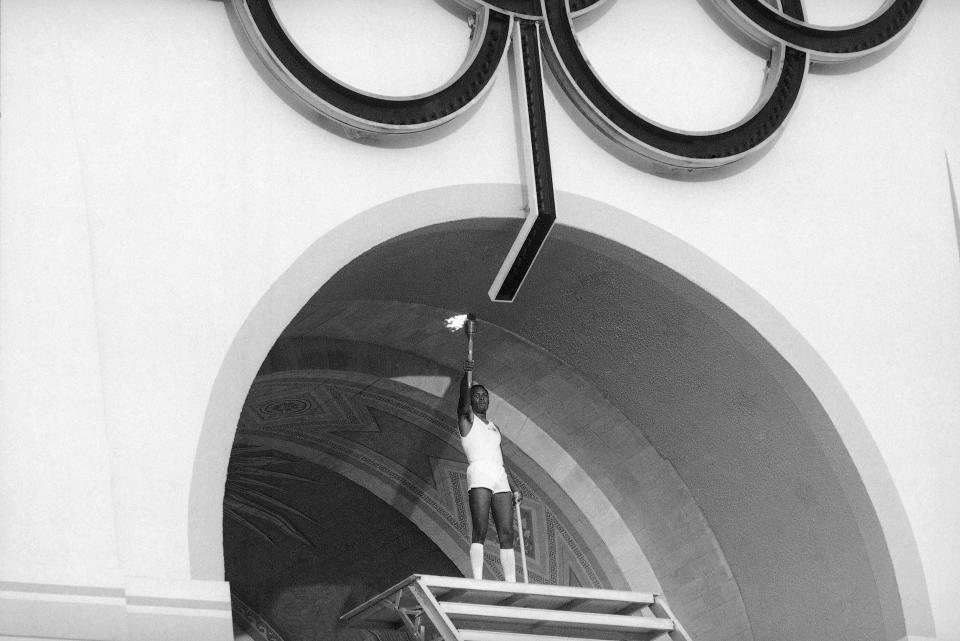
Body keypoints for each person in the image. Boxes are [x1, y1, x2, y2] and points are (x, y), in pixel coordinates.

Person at [458, 358, 520, 582]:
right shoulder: (467, 421)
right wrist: (466, 379)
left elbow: (501, 459)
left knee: (507, 532)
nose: (481, 398)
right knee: (481, 528)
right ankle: (477, 578)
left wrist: (514, 488)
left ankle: (511, 581)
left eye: (484, 396)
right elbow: (462, 405)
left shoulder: (495, 428)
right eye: (477, 395)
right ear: (471, 400)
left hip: (498, 475)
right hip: (479, 473)